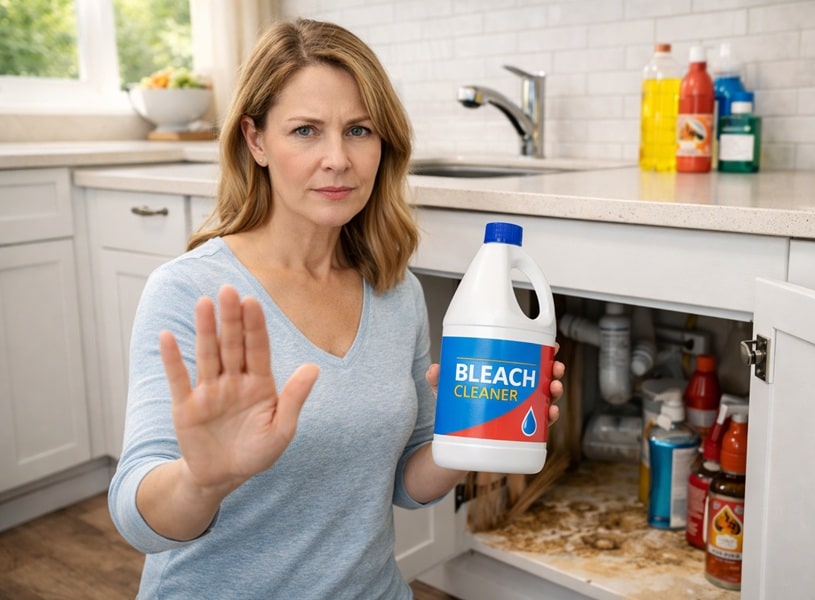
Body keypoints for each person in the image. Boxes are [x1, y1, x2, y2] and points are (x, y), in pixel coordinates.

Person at [108, 17, 565, 600]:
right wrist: (203, 479)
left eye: (358, 130)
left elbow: (406, 481)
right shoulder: (188, 291)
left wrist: (478, 426)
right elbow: (135, 516)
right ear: (255, 141)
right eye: (304, 130)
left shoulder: (394, 291)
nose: (337, 159)